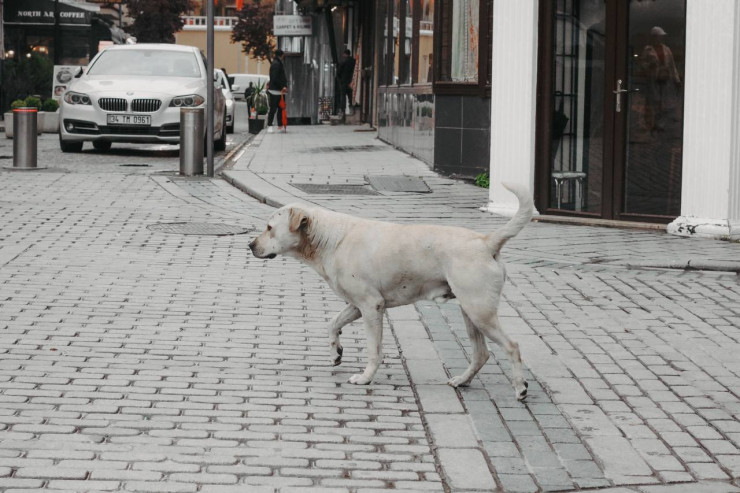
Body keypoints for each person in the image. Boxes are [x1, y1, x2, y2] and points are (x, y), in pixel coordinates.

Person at [640, 26, 681, 135]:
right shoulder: (648, 49)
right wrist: (649, 66)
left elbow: (672, 65)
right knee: (654, 101)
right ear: (654, 37)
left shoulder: (667, 49)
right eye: (659, 36)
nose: (661, 38)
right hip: (654, 79)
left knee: (665, 103)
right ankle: (652, 124)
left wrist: (676, 79)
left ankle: (660, 125)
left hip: (666, 79)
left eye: (661, 36)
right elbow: (642, 64)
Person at [267, 49, 288, 132]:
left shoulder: (276, 63)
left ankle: (279, 125)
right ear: (281, 55)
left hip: (278, 90)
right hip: (276, 91)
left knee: (279, 108)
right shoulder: (277, 64)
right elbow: (275, 78)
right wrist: (282, 87)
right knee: (274, 109)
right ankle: (270, 126)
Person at [337, 49, 356, 115]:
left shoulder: (343, 62)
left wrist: (340, 79)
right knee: (351, 96)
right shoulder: (354, 61)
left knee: (343, 96)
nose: (343, 55)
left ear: (345, 54)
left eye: (343, 54)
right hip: (351, 81)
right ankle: (352, 109)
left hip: (344, 82)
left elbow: (338, 72)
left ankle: (343, 110)